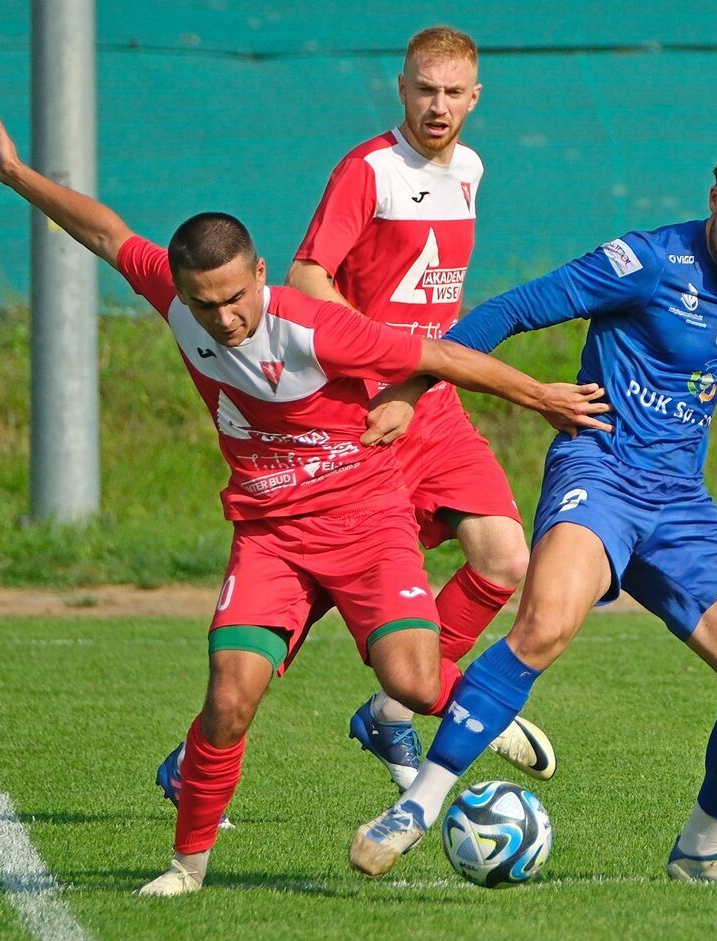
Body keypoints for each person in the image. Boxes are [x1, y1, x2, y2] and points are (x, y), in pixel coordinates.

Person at [0, 116, 610, 896]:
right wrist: (17, 175)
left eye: (236, 298)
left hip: (369, 523)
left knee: (410, 679)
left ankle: (470, 712)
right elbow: (105, 233)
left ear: (260, 274)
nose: (226, 319)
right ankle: (186, 868)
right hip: (270, 537)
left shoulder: (313, 327)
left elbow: (439, 355)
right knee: (229, 697)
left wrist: (541, 396)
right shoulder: (174, 295)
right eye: (206, 305)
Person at [349, 132, 717, 885]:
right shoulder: (647, 260)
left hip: (680, 503)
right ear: (714, 200)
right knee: (545, 624)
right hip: (601, 473)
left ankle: (705, 851)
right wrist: (412, 387)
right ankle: (418, 806)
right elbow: (514, 309)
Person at [290, 25, 554, 789]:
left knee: (506, 557)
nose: (437, 106)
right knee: (309, 598)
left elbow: (433, 291)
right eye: (424, 90)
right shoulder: (367, 170)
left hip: (431, 404)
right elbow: (309, 277)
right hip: (366, 413)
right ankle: (196, 755)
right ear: (401, 89)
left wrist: (421, 374)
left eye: (452, 93)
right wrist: (378, 364)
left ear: (475, 97)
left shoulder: (470, 167)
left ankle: (392, 715)